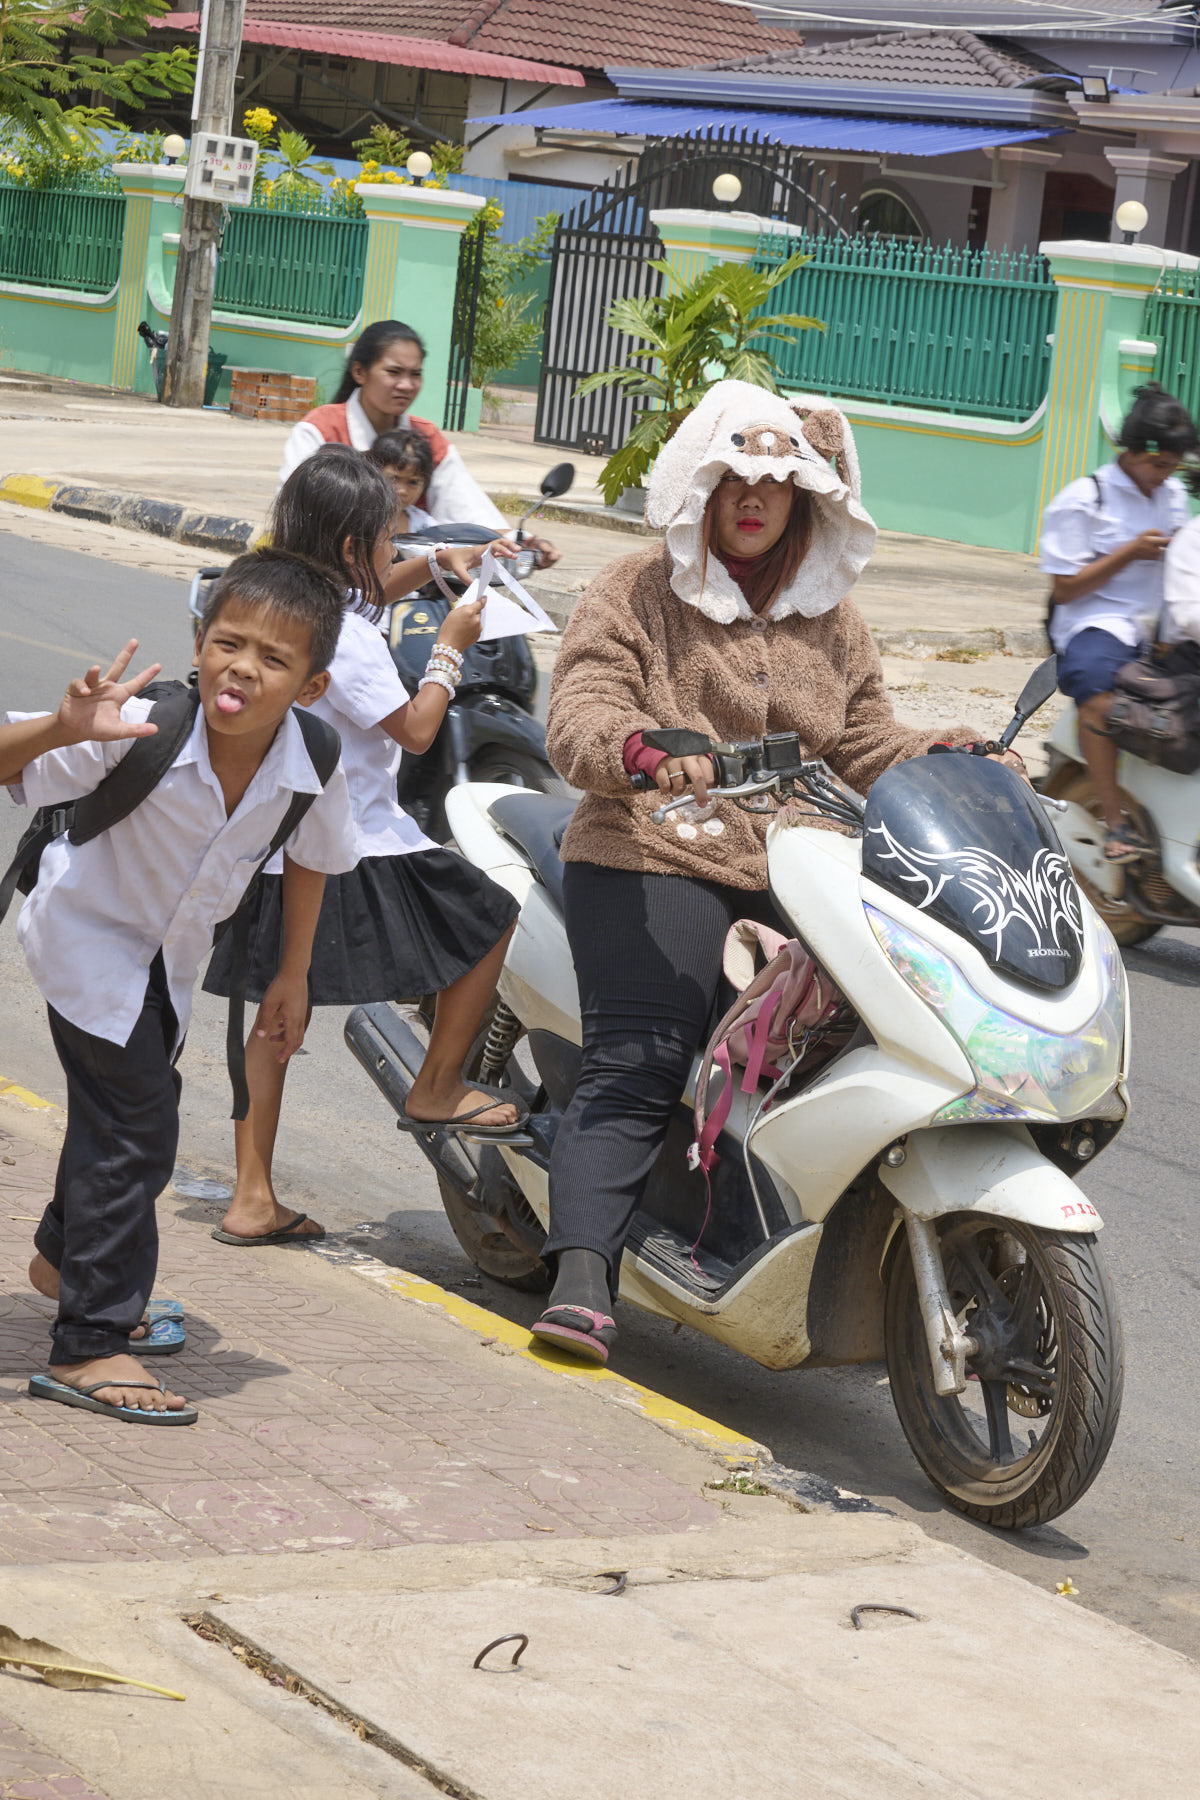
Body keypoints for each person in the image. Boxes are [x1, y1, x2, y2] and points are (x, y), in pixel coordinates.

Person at [533, 379, 1017, 1367]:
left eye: (777, 483)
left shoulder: (832, 618)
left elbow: (866, 739)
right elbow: (581, 712)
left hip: (795, 863)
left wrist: (945, 752)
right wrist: (645, 749)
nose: (755, 499)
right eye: (735, 479)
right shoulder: (635, 589)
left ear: (805, 499)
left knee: (887, 1025)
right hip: (649, 850)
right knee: (645, 1052)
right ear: (702, 487)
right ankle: (582, 1271)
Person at [1, 551, 358, 1423]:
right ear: (199, 645)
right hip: (86, 944)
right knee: (137, 1131)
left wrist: (293, 976)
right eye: (229, 644)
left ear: (311, 687)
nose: (244, 669)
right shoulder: (138, 727)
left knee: (127, 1113)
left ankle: (62, 1263)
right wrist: (61, 727)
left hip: (169, 963)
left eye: (274, 658)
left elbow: (313, 857)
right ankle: (91, 1340)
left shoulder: (313, 754)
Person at [203, 445, 524, 1249]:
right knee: (491, 917)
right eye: (388, 541)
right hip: (357, 844)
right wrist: (450, 645)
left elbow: (370, 592)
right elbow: (416, 731)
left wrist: (438, 564)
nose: (394, 553)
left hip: (275, 842)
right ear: (352, 548)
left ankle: (251, 1195)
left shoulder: (289, 602)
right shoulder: (344, 635)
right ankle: (438, 1083)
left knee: (278, 1016)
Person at [1040, 382, 1197, 863]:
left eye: (1172, 467)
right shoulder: (1085, 499)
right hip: (1097, 625)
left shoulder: (1172, 495)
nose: (1164, 476)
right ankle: (1116, 824)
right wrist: (1130, 552)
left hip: (1156, 631)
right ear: (1132, 451)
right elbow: (1065, 588)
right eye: (1158, 465)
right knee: (1100, 704)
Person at [279, 319, 559, 569]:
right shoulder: (320, 430)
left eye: (415, 374)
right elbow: (297, 512)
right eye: (393, 372)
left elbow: (465, 509)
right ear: (359, 372)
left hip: (411, 581)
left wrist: (521, 543)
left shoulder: (427, 439)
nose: (406, 385)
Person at [367, 426, 438, 533]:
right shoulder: (356, 520)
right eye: (393, 478)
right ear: (373, 473)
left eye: (413, 482)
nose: (402, 491)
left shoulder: (426, 526)